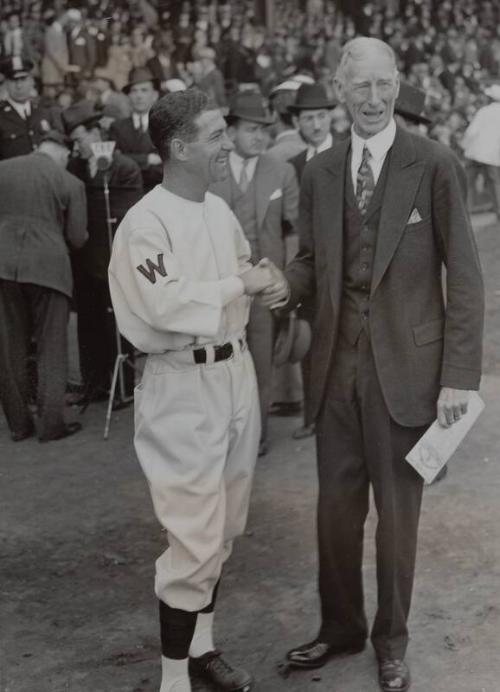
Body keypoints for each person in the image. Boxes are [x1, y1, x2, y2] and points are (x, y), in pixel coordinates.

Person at [262, 37, 484, 692]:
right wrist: (282, 284)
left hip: (408, 376)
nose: (373, 98)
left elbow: (466, 279)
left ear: (397, 85)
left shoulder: (433, 164)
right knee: (334, 511)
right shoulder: (321, 168)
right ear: (338, 88)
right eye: (359, 86)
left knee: (397, 517)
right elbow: (313, 262)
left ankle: (392, 640)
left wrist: (459, 377)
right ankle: (341, 627)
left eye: (383, 85)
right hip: (334, 371)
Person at [108, 88, 272, 692]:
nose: (226, 143)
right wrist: (241, 283)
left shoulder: (216, 209)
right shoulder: (144, 221)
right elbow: (169, 303)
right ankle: (172, 678)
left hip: (234, 371)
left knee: (224, 525)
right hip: (180, 378)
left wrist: (265, 283)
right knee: (194, 532)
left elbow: (245, 272)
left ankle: (201, 649)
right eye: (215, 135)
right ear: (179, 147)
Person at [210, 92, 299, 457]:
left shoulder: (281, 170)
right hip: (220, 288)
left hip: (263, 289)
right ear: (230, 132)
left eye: (264, 130)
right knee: (218, 365)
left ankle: (256, 437)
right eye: (250, 130)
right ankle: (221, 436)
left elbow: (293, 231)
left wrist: (287, 278)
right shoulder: (210, 170)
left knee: (261, 363)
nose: (259, 137)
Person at [0, 130, 88, 441]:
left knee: (9, 346)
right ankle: (51, 424)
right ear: (64, 155)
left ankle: (19, 425)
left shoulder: (4, 168)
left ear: (39, 148)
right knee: (52, 345)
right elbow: (78, 238)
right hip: (49, 269)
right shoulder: (71, 183)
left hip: (3, 265)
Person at [63, 101, 143, 405]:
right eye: (73, 142)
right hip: (85, 258)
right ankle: (93, 383)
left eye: (81, 139)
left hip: (114, 255)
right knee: (88, 321)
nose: (77, 147)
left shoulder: (124, 167)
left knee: (116, 321)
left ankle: (121, 385)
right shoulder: (75, 167)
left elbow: (129, 212)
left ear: (97, 133)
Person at [288, 81, 337, 440]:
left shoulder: (350, 154)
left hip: (344, 266)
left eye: (321, 116)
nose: (316, 125)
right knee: (308, 340)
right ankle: (311, 417)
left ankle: (343, 417)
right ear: (298, 123)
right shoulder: (292, 166)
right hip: (309, 266)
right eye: (309, 118)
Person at [110, 67, 163, 193]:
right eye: (134, 91)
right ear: (128, 96)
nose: (139, 96)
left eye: (144, 90)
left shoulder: (164, 126)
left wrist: (128, 159)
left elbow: (166, 165)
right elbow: (114, 162)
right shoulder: (117, 127)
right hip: (126, 194)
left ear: (154, 95)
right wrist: (148, 159)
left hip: (158, 193)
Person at [0, 56, 63, 160]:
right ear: (6, 83)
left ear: (31, 81)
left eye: (23, 79)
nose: (19, 86)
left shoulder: (46, 111)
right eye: (13, 80)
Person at [461, 83, 500, 220]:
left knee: (466, 181)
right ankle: (498, 211)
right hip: (492, 155)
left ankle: (463, 210)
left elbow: (471, 131)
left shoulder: (483, 111)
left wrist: (464, 146)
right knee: (494, 182)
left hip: (476, 152)